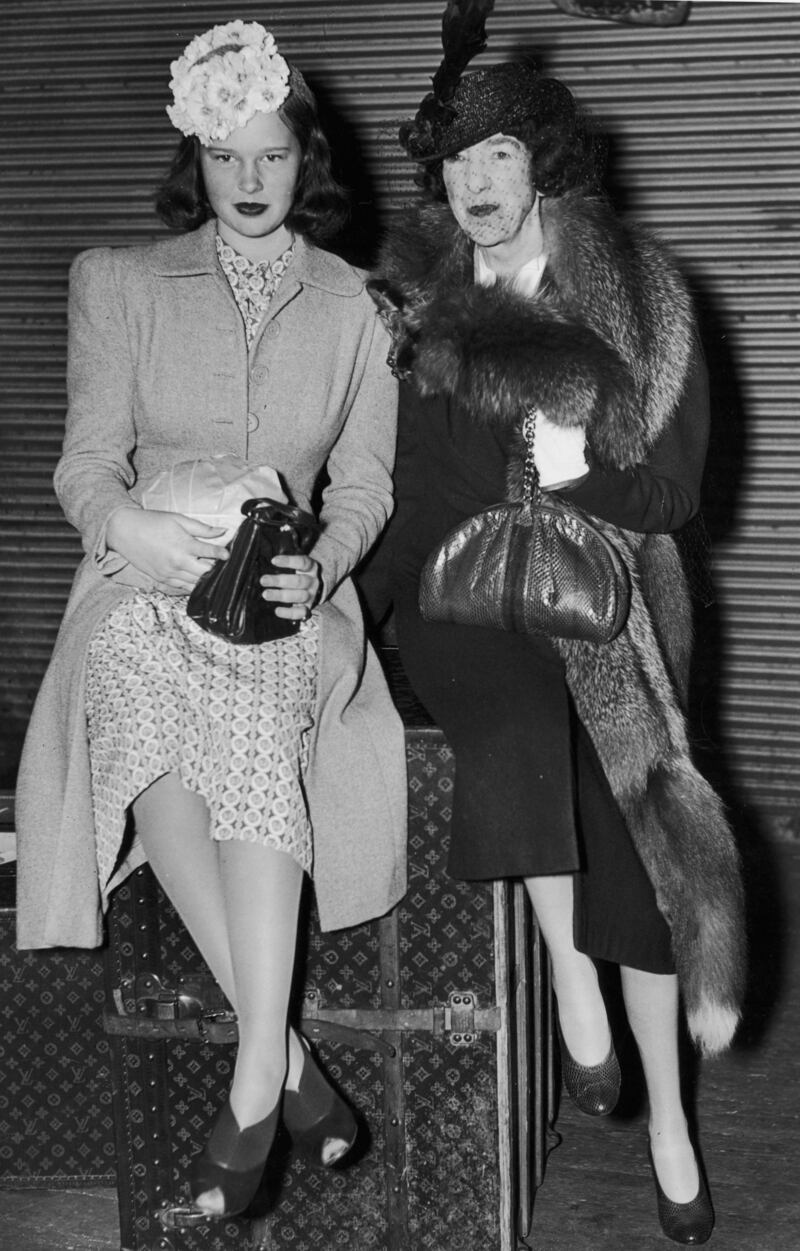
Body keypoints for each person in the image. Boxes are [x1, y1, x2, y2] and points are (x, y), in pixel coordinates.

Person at [15, 19, 407, 1220]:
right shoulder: (120, 283)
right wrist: (121, 528)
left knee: (241, 706)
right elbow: (84, 464)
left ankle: (254, 1075)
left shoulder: (358, 307)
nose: (249, 181)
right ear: (195, 155)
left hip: (280, 599)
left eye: (274, 156)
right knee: (136, 692)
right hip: (143, 579)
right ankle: (284, 1067)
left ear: (306, 164)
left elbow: (365, 484)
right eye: (228, 156)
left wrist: (327, 568)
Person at [366, 1, 745, 1244]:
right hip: (459, 594)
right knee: (512, 734)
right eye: (455, 163)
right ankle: (572, 1007)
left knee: (634, 870)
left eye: (499, 157)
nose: (473, 185)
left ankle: (672, 1130)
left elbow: (677, 496)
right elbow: (413, 492)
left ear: (544, 164)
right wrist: (343, 622)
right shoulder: (418, 305)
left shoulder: (636, 295)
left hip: (606, 595)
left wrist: (585, 474)